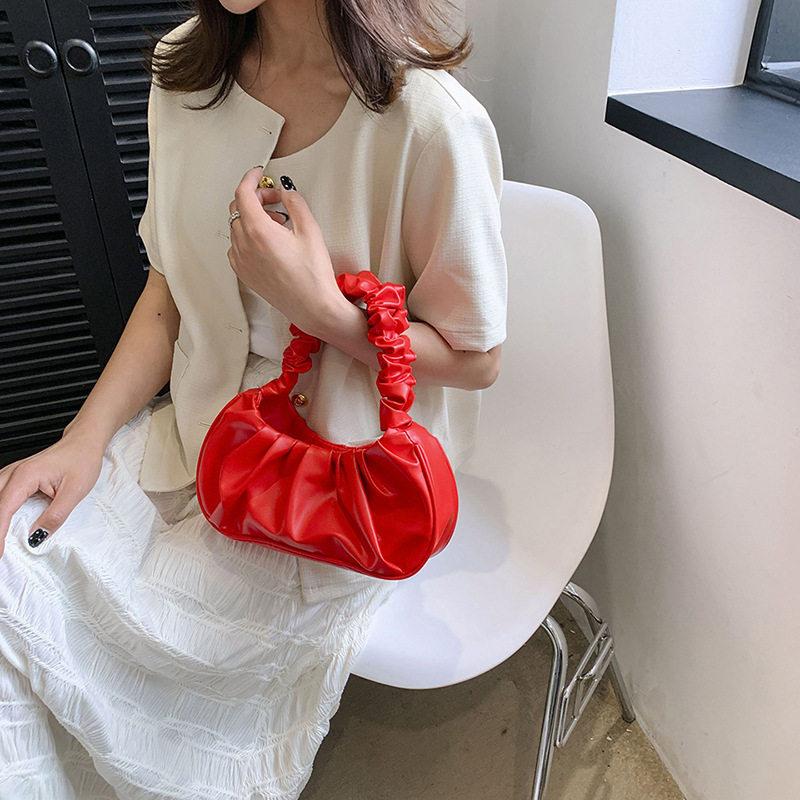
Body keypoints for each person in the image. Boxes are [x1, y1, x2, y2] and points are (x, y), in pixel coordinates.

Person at [0, 0, 507, 797]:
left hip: (336, 487)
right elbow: (168, 289)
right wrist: (83, 440)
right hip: (195, 435)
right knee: (12, 566)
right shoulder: (184, 71)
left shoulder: (431, 123)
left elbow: (476, 359)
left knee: (179, 706)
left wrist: (325, 314)